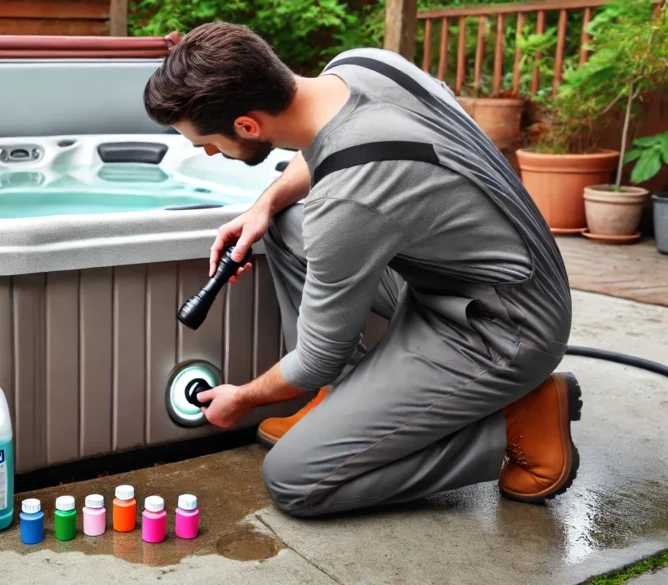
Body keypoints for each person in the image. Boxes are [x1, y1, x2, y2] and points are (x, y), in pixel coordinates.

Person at [142, 22, 581, 517]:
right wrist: (262, 206)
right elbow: (333, 148)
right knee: (287, 223)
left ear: (247, 125)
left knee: (295, 481)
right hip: (474, 275)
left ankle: (508, 419)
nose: (204, 152)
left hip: (502, 326)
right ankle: (342, 403)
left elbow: (314, 361)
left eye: (205, 141)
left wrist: (242, 399)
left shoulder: (347, 201)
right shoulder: (363, 66)